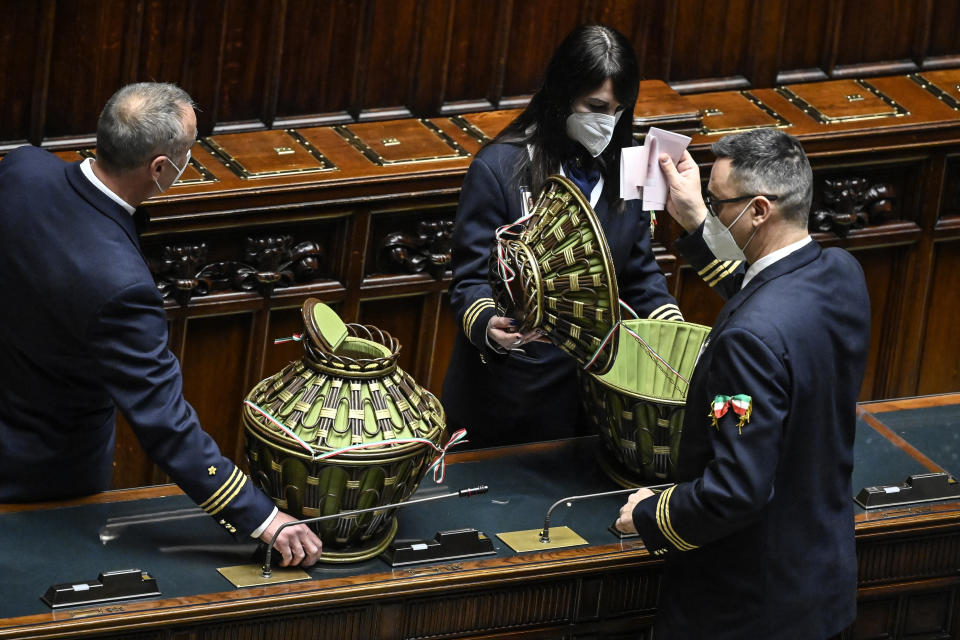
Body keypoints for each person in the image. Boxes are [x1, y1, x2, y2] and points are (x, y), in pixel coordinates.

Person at [0, 82, 321, 567]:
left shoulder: (23, 168)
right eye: (189, 150)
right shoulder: (123, 288)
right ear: (159, 169)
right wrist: (262, 517)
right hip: (47, 474)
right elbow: (166, 424)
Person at [614, 128, 870, 639]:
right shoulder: (840, 273)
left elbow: (736, 491)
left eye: (717, 202)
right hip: (820, 587)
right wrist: (697, 222)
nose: (711, 209)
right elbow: (765, 291)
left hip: (744, 609)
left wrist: (650, 514)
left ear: (758, 210)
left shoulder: (749, 339)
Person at [442, 24, 682, 448]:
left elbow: (639, 274)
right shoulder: (498, 168)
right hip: (511, 393)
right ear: (562, 92)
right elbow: (470, 279)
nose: (608, 123)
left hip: (594, 397)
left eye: (618, 110)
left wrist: (673, 332)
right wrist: (486, 324)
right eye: (596, 106)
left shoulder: (629, 170)